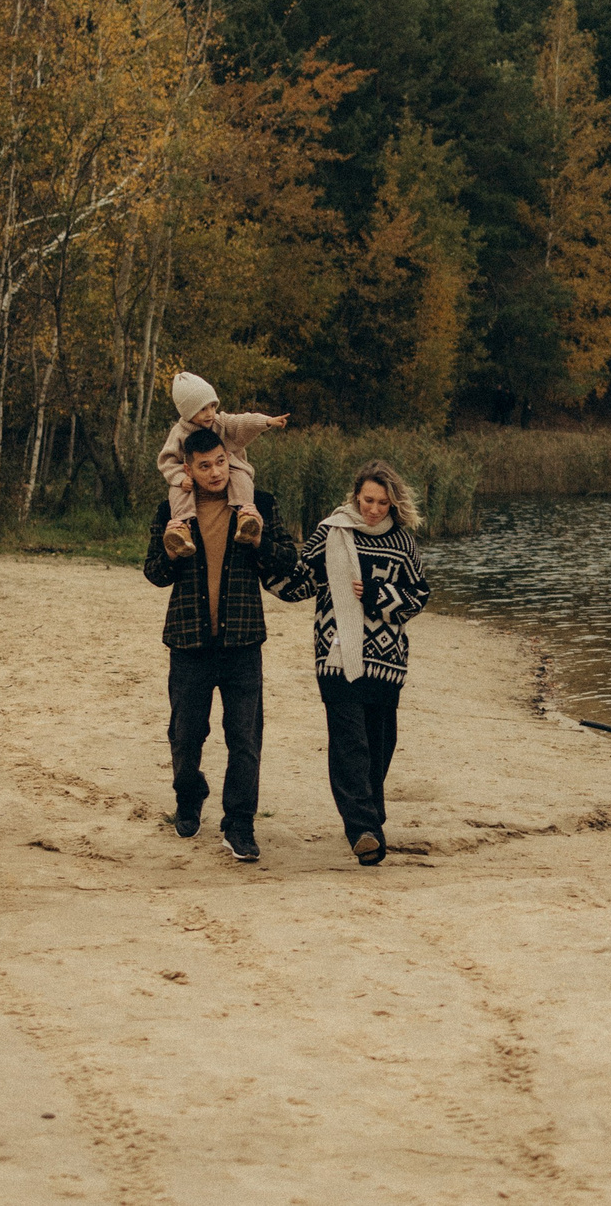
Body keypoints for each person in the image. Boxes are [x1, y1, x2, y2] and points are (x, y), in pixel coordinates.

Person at [141, 427, 299, 862]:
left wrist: (259, 539)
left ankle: (240, 825)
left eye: (221, 462)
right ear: (187, 469)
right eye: (204, 466)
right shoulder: (173, 509)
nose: (215, 473)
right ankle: (189, 798)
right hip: (188, 642)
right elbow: (154, 572)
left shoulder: (257, 504)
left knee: (245, 738)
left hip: (243, 642)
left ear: (230, 459)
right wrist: (171, 552)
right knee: (185, 736)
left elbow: (288, 558)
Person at [279, 460, 432, 867]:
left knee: (380, 745)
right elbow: (298, 584)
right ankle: (364, 830)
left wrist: (379, 594)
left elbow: (419, 596)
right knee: (350, 745)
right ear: (355, 496)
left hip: (387, 660)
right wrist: (265, 555)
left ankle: (369, 816)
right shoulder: (331, 531)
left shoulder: (402, 543)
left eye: (383, 502)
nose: (374, 509)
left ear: (393, 502)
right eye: (368, 500)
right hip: (337, 653)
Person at [156, 371, 289, 560]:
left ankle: (245, 515)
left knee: (241, 477)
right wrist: (179, 478)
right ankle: (181, 529)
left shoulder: (220, 421)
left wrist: (265, 421)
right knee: (178, 491)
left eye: (212, 406)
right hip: (189, 475)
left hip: (231, 465)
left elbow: (242, 421)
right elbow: (167, 461)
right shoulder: (178, 433)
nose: (210, 413)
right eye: (202, 409)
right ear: (187, 412)